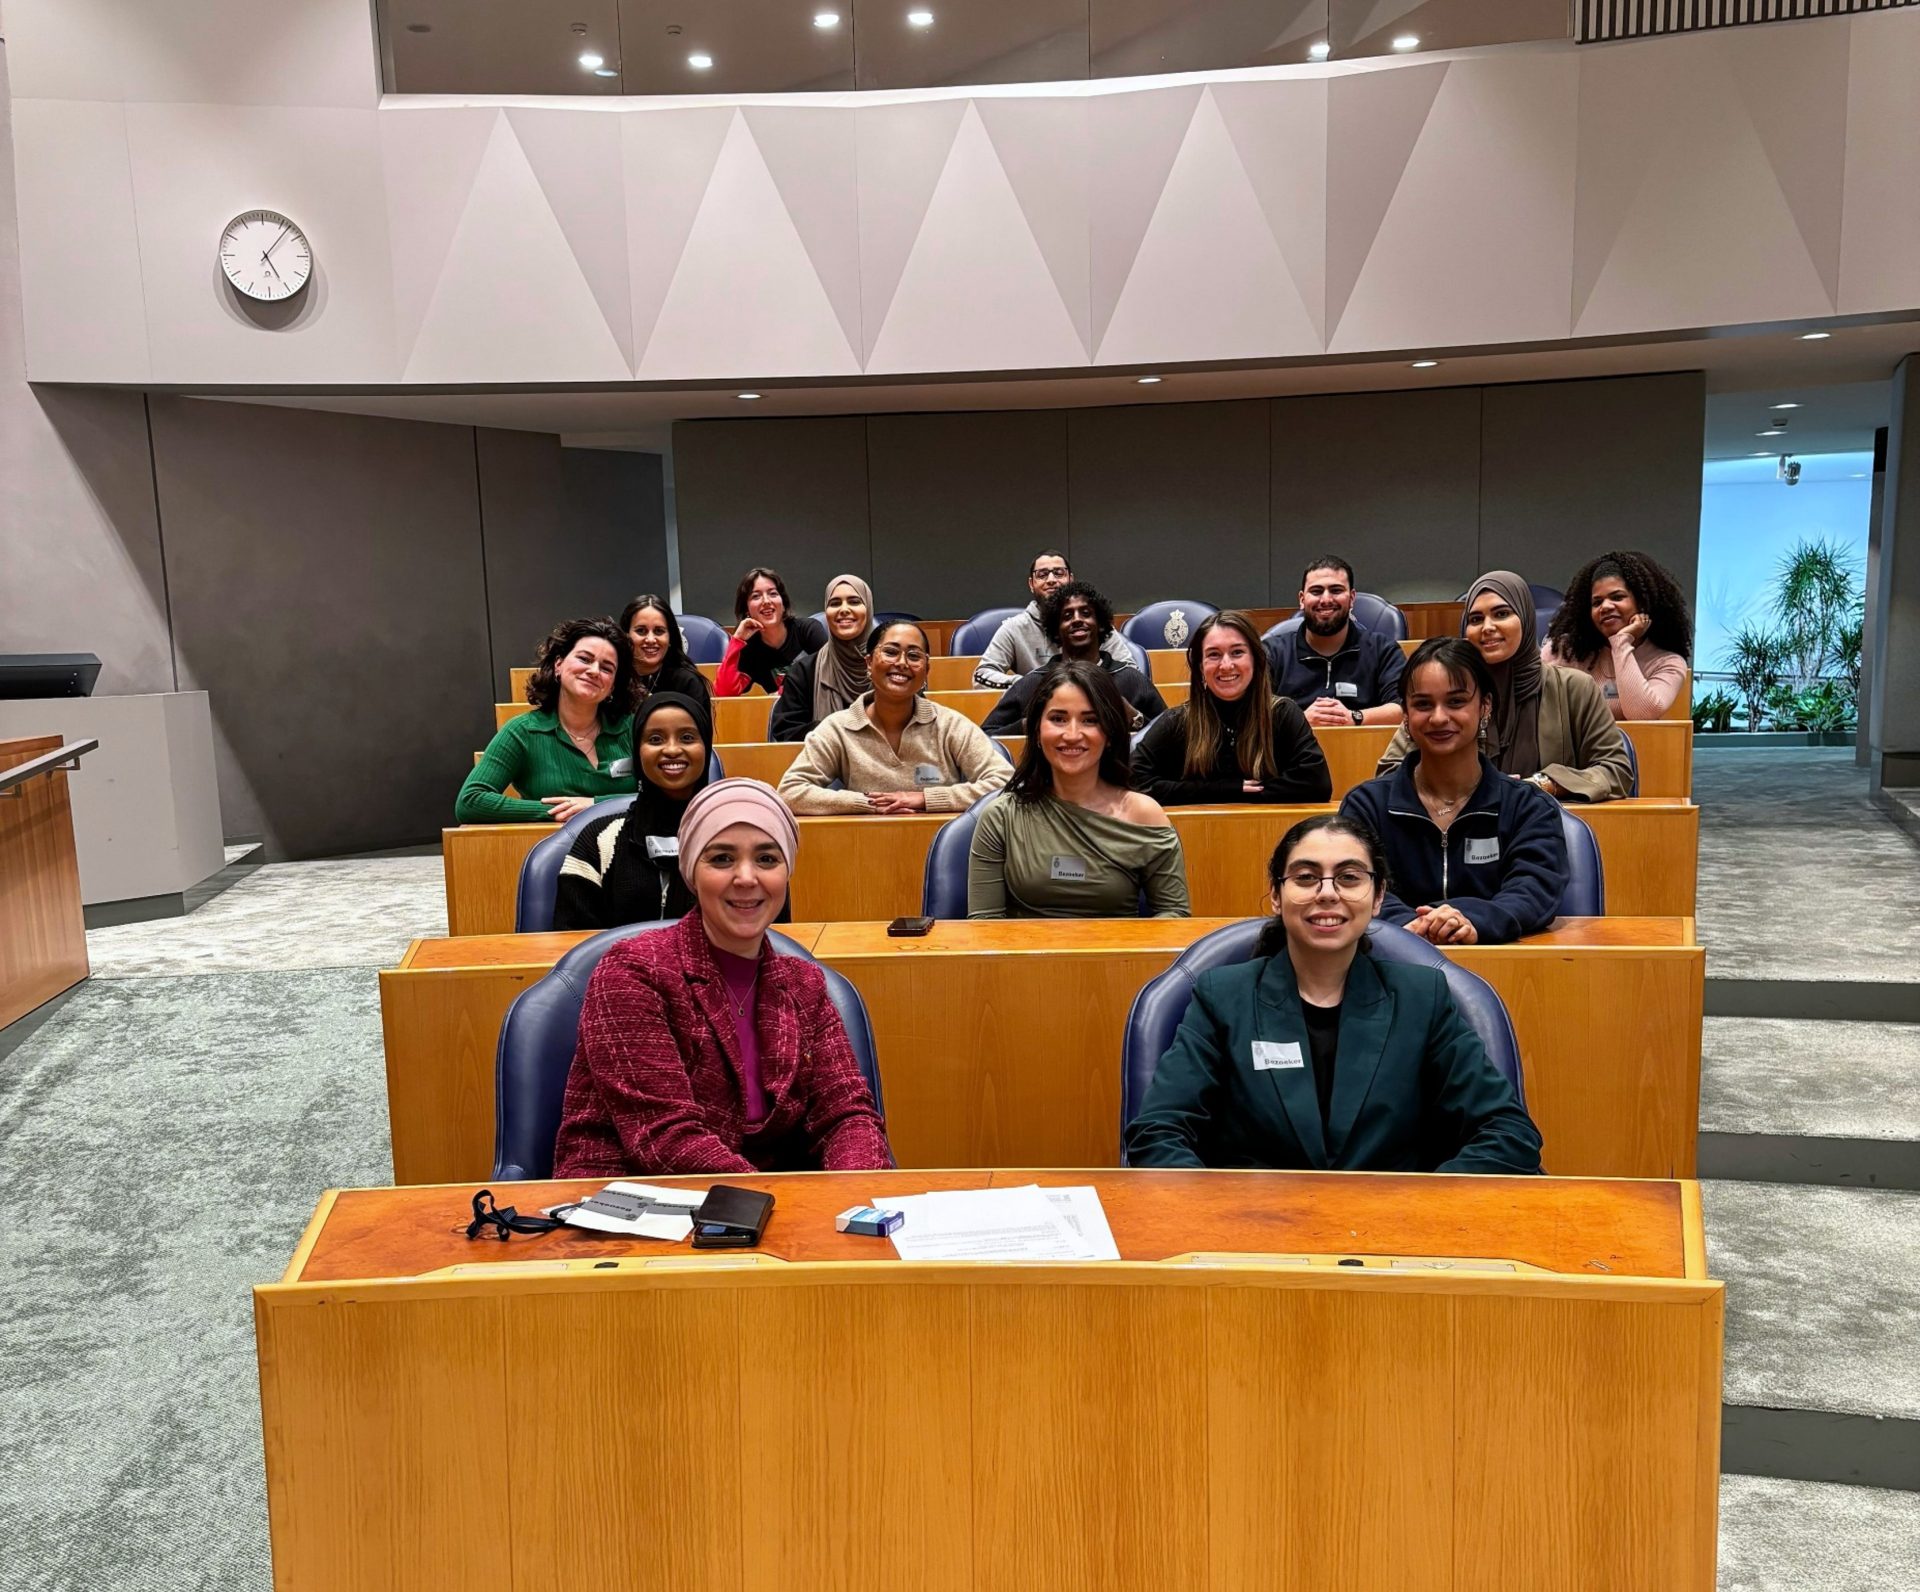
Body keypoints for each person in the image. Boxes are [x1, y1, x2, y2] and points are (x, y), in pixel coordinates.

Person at [1123, 814, 1542, 1173]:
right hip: (1258, 1241)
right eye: (1305, 877)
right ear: (1276, 895)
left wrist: (1422, 1207)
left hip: (1394, 1245)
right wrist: (1225, 1218)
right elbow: (1158, 1133)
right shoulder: (1221, 997)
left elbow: (1507, 1132)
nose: (1327, 892)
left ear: (1378, 897)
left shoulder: (1422, 997)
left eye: (1348, 877)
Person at [554, 778, 893, 1176]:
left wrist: (854, 1198)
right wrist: (780, 1208)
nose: (747, 878)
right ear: (691, 874)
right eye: (721, 859)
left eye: (767, 859)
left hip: (769, 1210)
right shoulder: (632, 971)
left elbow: (847, 1115)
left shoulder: (805, 985)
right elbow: (663, 1139)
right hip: (638, 1200)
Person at [1341, 639, 1568, 945]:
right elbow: (1356, 884)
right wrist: (1414, 926)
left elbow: (1534, 889)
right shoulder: (1366, 806)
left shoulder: (1529, 806)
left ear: (1484, 706)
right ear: (1405, 715)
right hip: (1394, 963)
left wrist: (1471, 920)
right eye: (1422, 704)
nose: (1438, 717)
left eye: (1456, 702)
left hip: (1501, 964)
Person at [1373, 571, 1632, 801]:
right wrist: (1457, 787)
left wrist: (1543, 785)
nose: (1487, 627)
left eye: (1501, 614)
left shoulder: (1574, 688)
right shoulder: (1452, 692)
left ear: (1526, 620)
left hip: (1543, 830)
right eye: (1475, 619)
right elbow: (1390, 771)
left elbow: (1615, 770)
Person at [968, 661, 1189, 918]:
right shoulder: (1001, 817)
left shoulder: (1145, 815)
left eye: (1090, 720)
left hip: (1118, 956)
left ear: (1109, 733)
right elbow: (985, 925)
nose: (1072, 734)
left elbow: (1174, 916)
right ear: (1037, 731)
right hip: (1026, 956)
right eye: (1058, 719)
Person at [778, 622, 1010, 815]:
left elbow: (1005, 782)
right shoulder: (838, 728)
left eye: (913, 656)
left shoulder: (950, 725)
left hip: (941, 846)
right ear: (869, 663)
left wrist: (925, 799)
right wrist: (866, 803)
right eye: (890, 652)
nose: (901, 663)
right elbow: (790, 791)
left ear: (926, 670)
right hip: (864, 847)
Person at [1130, 610, 1332, 806]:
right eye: (1214, 655)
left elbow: (1316, 783)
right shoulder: (1178, 720)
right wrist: (1227, 789)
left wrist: (1242, 795)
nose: (1226, 665)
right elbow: (1133, 780)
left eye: (1237, 653)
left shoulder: (1283, 713)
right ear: (1201, 667)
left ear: (1256, 660)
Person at [553, 692, 712, 931]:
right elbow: (573, 948)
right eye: (655, 739)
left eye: (687, 737)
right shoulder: (599, 838)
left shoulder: (737, 837)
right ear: (637, 751)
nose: (671, 749)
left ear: (706, 748)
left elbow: (771, 941)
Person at [456, 617, 638, 824]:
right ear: (558, 665)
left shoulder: (633, 727)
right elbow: (470, 801)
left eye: (606, 668)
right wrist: (561, 811)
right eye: (585, 659)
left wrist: (595, 805)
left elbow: (663, 797)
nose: (594, 671)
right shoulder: (522, 731)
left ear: (613, 686)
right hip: (553, 848)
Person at [982, 581, 1167, 734]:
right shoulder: (1033, 683)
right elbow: (986, 735)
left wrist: (1136, 719)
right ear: (1056, 629)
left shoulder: (1131, 680)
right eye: (1067, 616)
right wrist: (1029, 725)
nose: (1077, 620)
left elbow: (1176, 737)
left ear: (1101, 625)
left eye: (1086, 613)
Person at [1543, 551, 1693, 720]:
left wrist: (1621, 643)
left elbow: (1641, 714)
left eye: (1617, 597)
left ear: (1643, 602)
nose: (1605, 606)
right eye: (1597, 602)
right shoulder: (1564, 651)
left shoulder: (1667, 663)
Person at [1264, 556, 1406, 726]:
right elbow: (1250, 710)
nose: (1325, 600)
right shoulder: (1272, 652)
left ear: (1352, 598)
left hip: (1364, 749)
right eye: (1316, 591)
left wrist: (1354, 717)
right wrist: (1298, 721)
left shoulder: (1383, 650)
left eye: (1336, 590)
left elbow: (1404, 708)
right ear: (1302, 599)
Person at [972, 549, 1140, 688]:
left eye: (1059, 573)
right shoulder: (1014, 628)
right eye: (1043, 574)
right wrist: (1030, 686)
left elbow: (1130, 671)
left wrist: (1089, 687)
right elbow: (981, 676)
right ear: (1031, 584)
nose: (1051, 580)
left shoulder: (1093, 625)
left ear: (1070, 579)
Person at [768, 574, 874, 742]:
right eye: (835, 603)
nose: (844, 609)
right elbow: (786, 732)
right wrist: (838, 730)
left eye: (854, 601)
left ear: (868, 609)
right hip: (822, 765)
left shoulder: (891, 666)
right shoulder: (803, 672)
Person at [714, 566, 828, 697]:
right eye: (756, 596)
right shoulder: (750, 648)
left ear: (783, 603)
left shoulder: (808, 631)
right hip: (782, 716)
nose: (766, 601)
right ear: (747, 610)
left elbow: (830, 676)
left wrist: (783, 694)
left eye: (773, 594)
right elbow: (724, 693)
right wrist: (737, 640)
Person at [618, 594, 712, 708]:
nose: (651, 639)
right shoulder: (613, 679)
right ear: (626, 635)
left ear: (670, 637)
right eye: (641, 631)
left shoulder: (687, 683)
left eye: (659, 631)